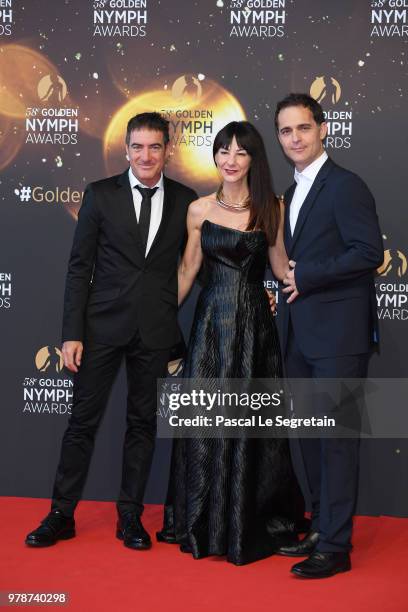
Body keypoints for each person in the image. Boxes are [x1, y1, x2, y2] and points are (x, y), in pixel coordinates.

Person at [25, 112, 197, 549]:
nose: (145, 155)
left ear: (166, 150)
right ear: (126, 149)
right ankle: (61, 514)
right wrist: (71, 332)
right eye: (137, 146)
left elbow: (199, 263)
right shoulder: (100, 195)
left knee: (142, 424)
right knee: (81, 422)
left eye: (154, 146)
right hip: (101, 327)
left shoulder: (185, 200)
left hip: (155, 329)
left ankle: (130, 517)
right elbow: (79, 267)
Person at [156, 120, 305, 565]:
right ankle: (202, 519)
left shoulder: (271, 208)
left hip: (255, 331)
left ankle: (247, 519)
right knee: (204, 425)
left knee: (252, 427)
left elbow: (280, 270)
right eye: (223, 151)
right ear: (215, 156)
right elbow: (186, 272)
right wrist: (160, 327)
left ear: (254, 159)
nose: (231, 160)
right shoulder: (199, 211)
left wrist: (319, 274)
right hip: (210, 332)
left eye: (241, 153)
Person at [274, 93, 383, 578]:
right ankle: (322, 525)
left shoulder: (345, 185)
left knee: (337, 439)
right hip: (300, 333)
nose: (294, 138)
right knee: (311, 439)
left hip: (339, 336)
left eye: (302, 128)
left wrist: (308, 276)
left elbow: (367, 253)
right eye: (285, 131)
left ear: (322, 129)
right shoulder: (290, 191)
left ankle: (336, 548)